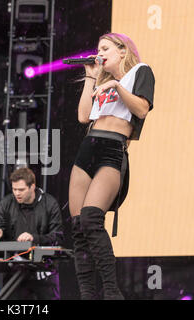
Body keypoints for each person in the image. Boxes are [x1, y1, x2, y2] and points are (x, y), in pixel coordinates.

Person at [69, 33, 155, 300]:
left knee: (92, 218)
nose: (100, 53)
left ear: (122, 50)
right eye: (98, 49)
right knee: (77, 226)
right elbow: (84, 116)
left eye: (105, 48)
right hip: (88, 148)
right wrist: (91, 77)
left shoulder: (140, 72)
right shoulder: (103, 83)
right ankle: (86, 293)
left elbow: (141, 109)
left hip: (112, 148)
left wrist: (117, 87)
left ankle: (112, 292)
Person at [0, 167, 64, 300]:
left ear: (32, 187)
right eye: (14, 189)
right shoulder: (6, 203)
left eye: (21, 190)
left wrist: (34, 238)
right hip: (15, 269)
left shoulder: (50, 203)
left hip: (44, 271)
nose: (17, 193)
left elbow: (58, 237)